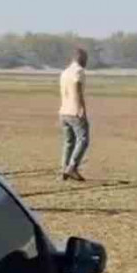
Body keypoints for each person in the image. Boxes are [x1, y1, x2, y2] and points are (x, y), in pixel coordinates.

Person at [59, 48, 89, 181]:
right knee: (83, 140)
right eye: (85, 58)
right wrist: (82, 108)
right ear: (80, 58)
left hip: (63, 111)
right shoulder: (78, 71)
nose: (86, 62)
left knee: (69, 141)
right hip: (74, 111)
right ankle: (72, 167)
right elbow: (77, 87)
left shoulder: (65, 72)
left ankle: (64, 169)